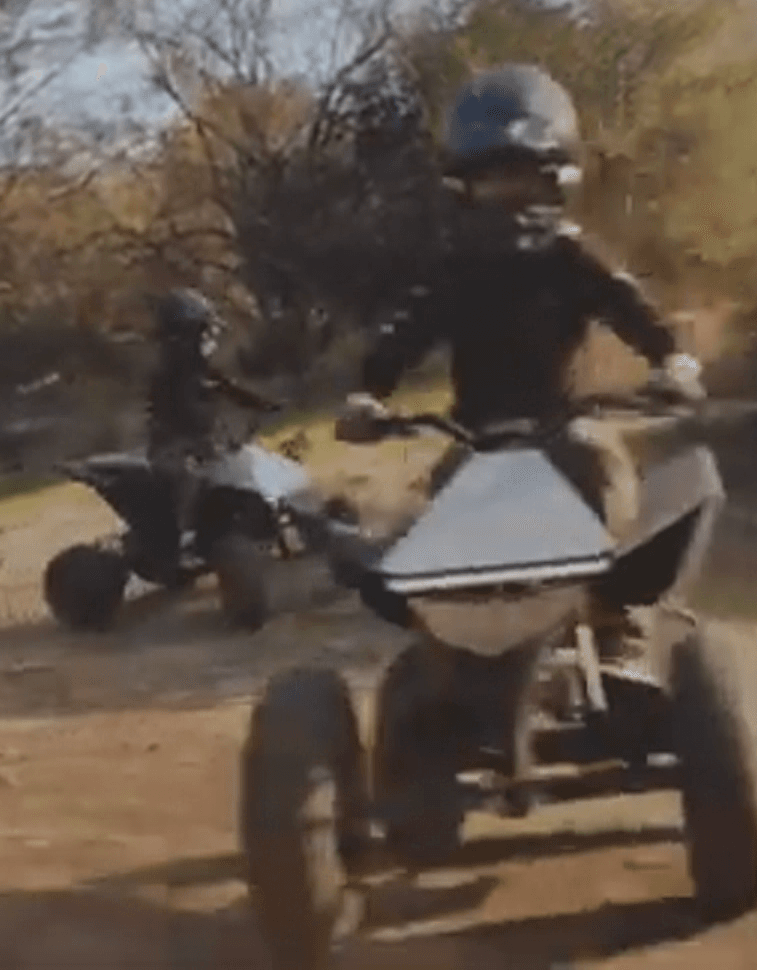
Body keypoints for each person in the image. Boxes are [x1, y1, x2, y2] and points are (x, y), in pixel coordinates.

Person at [334, 64, 705, 613]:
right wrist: (368, 395)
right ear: (465, 189)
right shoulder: (453, 270)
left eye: (521, 179)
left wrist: (673, 361)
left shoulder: (572, 256)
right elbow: (401, 338)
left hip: (566, 426)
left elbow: (631, 307)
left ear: (556, 181)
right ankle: (447, 648)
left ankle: (619, 621)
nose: (507, 195)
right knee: (436, 534)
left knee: (604, 474)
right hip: (476, 439)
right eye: (492, 182)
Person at [144, 288, 281, 534]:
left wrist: (265, 405)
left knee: (249, 467)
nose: (208, 339)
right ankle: (184, 536)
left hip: (201, 447)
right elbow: (183, 414)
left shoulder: (200, 369)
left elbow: (230, 389)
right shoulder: (169, 375)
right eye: (202, 332)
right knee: (193, 479)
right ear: (183, 336)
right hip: (174, 451)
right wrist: (205, 440)